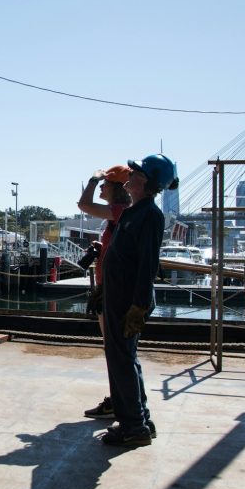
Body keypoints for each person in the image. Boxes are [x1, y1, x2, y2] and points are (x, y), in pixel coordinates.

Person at [99, 153, 178, 447]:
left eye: (134, 173)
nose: (129, 176)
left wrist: (139, 305)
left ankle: (134, 427)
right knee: (123, 359)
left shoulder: (150, 216)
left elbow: (147, 264)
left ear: (145, 181)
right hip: (118, 296)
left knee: (122, 360)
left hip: (128, 300)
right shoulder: (134, 212)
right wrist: (103, 289)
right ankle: (139, 419)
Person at [77, 165, 132, 420]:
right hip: (108, 287)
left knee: (116, 350)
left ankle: (121, 404)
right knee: (114, 349)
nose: (101, 186)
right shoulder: (117, 216)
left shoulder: (121, 211)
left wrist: (92, 178)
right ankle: (119, 400)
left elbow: (84, 205)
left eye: (105, 183)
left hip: (113, 290)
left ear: (117, 188)